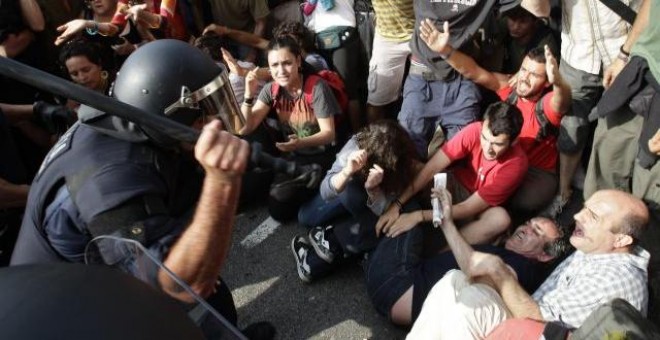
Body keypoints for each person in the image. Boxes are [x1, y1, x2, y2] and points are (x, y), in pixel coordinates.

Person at [10, 40, 272, 338]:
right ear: (171, 113)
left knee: (214, 298)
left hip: (98, 267)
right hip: (66, 312)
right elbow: (180, 284)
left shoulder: (130, 122)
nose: (214, 122)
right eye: (204, 111)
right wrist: (222, 182)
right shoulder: (111, 180)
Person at [409, 189, 650, 339]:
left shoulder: (615, 279)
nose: (577, 216)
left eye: (593, 216)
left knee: (467, 308)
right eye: (584, 208)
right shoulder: (599, 247)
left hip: (538, 330)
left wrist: (500, 271)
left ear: (621, 239)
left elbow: (540, 323)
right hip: (529, 321)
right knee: (454, 280)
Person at [419, 20, 571, 214]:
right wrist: (445, 50)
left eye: (534, 75)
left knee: (520, 203)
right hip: (502, 157)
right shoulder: (511, 87)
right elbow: (474, 72)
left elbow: (562, 100)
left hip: (536, 171)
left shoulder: (547, 104)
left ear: (547, 82)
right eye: (524, 70)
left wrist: (558, 81)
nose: (524, 77)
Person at [366, 184, 569, 326]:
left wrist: (447, 223)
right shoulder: (508, 253)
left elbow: (488, 275)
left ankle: (371, 205)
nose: (526, 228)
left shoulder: (523, 268)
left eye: (537, 232)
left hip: (398, 285)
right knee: (404, 216)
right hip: (403, 286)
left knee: (407, 207)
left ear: (544, 256)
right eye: (528, 223)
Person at [395, 0, 549, 158]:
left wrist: (526, 70)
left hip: (463, 75)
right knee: (407, 149)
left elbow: (541, 10)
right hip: (423, 72)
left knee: (460, 155)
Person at [376, 101, 528, 246]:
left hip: (477, 210)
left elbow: (468, 208)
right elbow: (432, 167)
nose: (488, 148)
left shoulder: (516, 164)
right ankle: (382, 213)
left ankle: (440, 256)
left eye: (497, 144)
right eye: (485, 138)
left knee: (500, 219)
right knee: (412, 166)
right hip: (455, 185)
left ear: (513, 142)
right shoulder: (475, 129)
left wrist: (418, 216)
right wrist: (396, 205)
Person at [292, 120, 422, 282]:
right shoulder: (356, 146)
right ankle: (338, 237)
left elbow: (387, 212)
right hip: (353, 193)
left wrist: (374, 191)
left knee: (400, 216)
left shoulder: (402, 162)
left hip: (375, 204)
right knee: (306, 217)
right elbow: (326, 191)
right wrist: (347, 171)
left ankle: (327, 244)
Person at [547, 0, 643, 217]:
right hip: (578, 54)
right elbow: (539, 10)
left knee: (619, 131)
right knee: (572, 125)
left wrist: (626, 53)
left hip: (625, 50)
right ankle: (564, 192)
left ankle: (618, 206)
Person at [239, 36, 341, 221]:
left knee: (281, 206)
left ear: (298, 61)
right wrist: (248, 94)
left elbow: (329, 134)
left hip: (322, 155)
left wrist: (300, 143)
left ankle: (328, 187)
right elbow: (246, 128)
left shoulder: (316, 87)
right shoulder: (271, 90)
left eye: (286, 63)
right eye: (275, 65)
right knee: (261, 196)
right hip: (295, 155)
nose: (281, 71)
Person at [584, 0, 658, 211]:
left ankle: (639, 241)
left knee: (650, 193)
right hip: (639, 70)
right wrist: (624, 54)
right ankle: (595, 236)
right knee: (607, 160)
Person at [365, 0, 414, 122]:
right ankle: (374, 139)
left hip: (420, 33)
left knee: (433, 92)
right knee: (377, 100)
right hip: (387, 38)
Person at [500, 5, 558, 74]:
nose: (515, 27)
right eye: (513, 19)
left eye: (523, 22)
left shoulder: (546, 45)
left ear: (536, 22)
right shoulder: (505, 23)